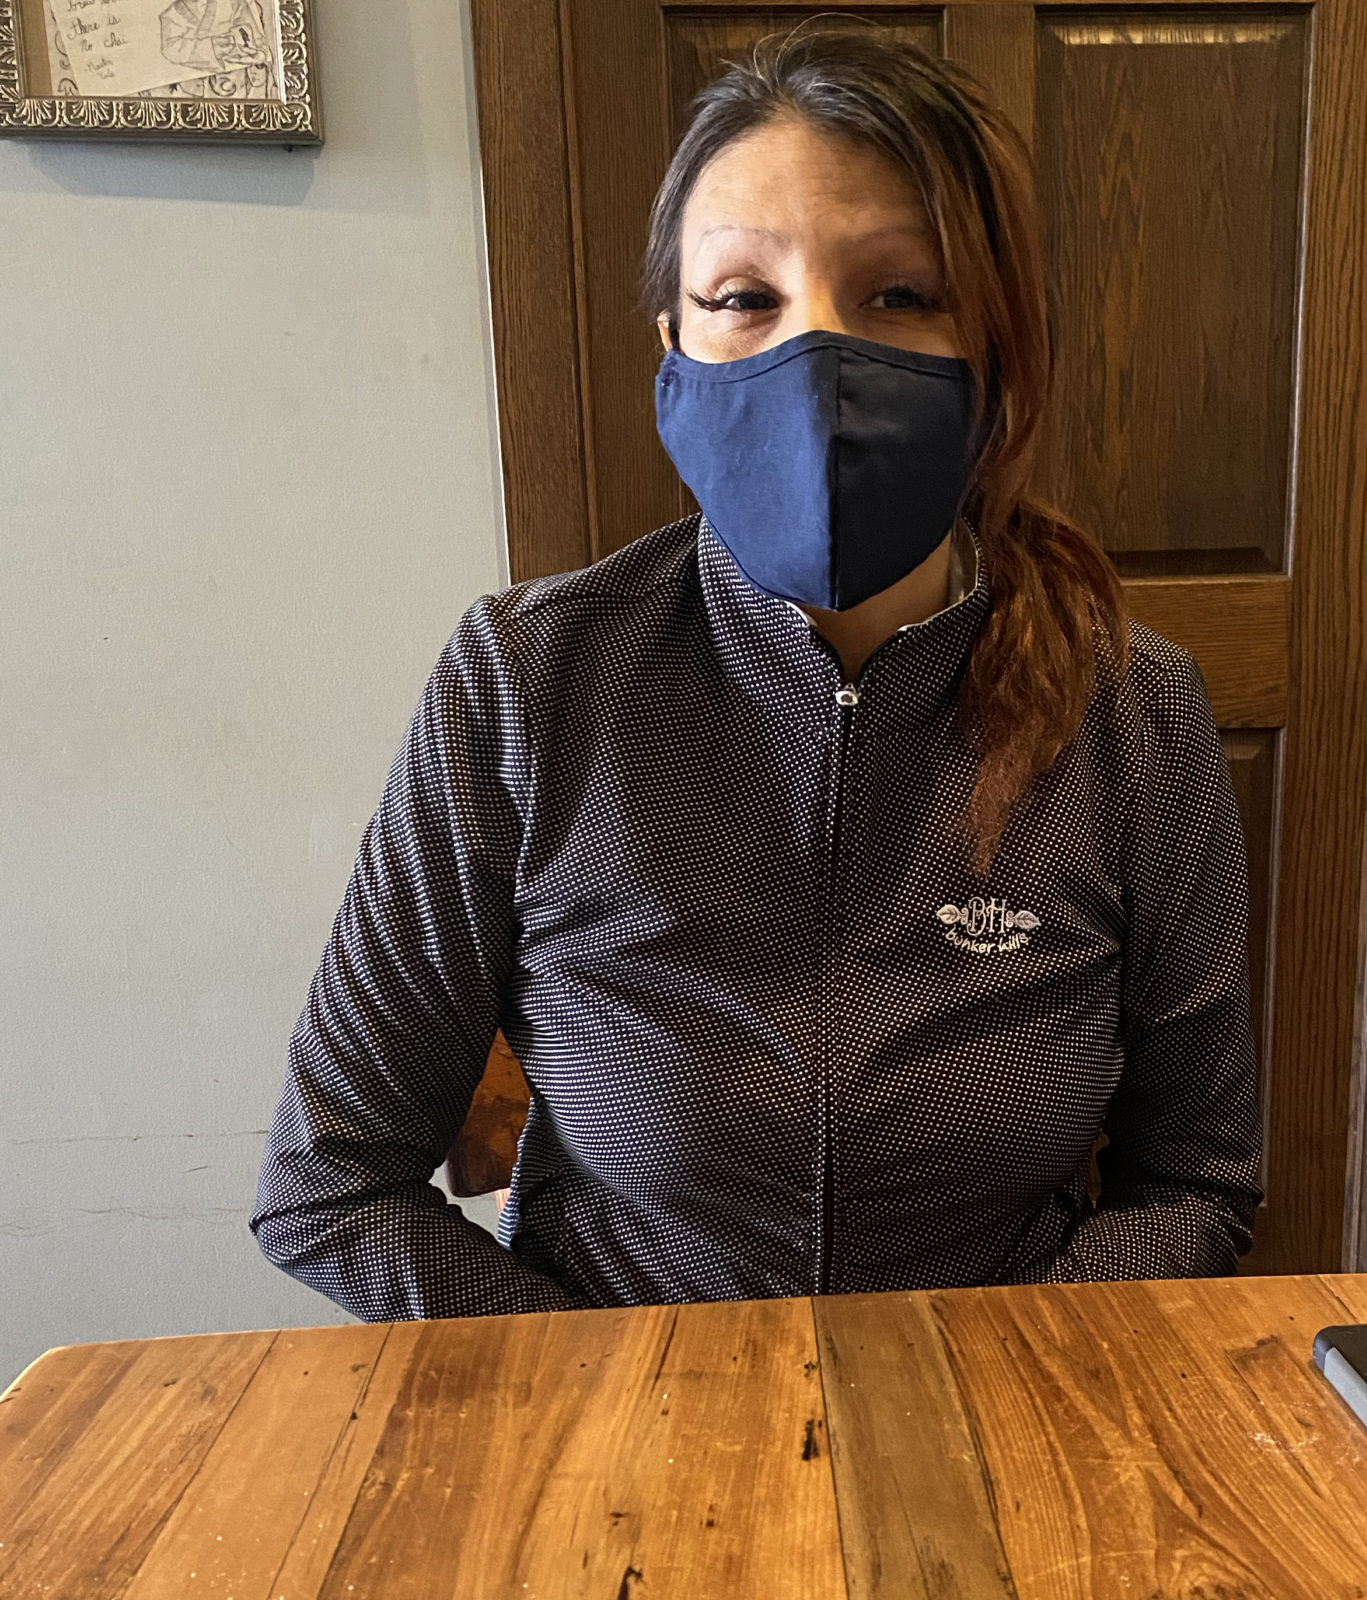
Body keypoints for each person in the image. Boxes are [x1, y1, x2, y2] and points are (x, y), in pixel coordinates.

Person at [251, 23, 1262, 1321]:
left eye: (900, 293)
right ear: (674, 345)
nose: (820, 358)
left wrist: (1004, 1379)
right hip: (616, 1421)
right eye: (745, 298)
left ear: (997, 352)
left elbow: (1199, 1184)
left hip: (995, 1424)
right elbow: (327, 1186)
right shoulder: (525, 680)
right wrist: (618, 1396)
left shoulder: (1135, 708)